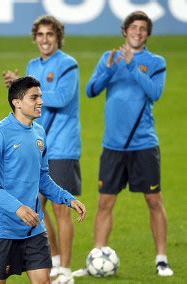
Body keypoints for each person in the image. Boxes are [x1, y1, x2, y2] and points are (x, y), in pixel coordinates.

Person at [81, 10, 173, 277]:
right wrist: (109, 70)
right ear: (125, 31)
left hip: (143, 144)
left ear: (147, 34)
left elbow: (155, 93)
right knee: (104, 203)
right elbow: (91, 90)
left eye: (143, 28)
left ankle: (161, 259)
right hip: (113, 146)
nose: (138, 32)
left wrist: (132, 65)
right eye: (134, 27)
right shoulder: (108, 58)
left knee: (154, 200)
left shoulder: (156, 61)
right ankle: (97, 256)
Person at [0, 76, 86, 284]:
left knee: (44, 281)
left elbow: (42, 177)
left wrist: (67, 198)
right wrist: (17, 208)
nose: (41, 102)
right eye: (34, 97)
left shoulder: (39, 132)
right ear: (17, 102)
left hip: (33, 228)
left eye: (41, 96)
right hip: (1, 229)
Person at [2, 15, 81, 283]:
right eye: (41, 35)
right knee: (35, 205)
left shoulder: (68, 64)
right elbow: (28, 105)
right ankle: (56, 261)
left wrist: (30, 91)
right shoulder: (33, 65)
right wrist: (19, 86)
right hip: (38, 146)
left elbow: (60, 97)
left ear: (58, 37)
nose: (45, 39)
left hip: (64, 147)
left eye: (50, 34)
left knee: (60, 208)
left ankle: (66, 270)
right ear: (35, 38)